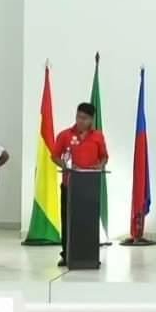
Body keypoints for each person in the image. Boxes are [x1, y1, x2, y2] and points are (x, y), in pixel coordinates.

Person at [51, 103, 109, 267]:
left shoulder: (98, 136)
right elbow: (54, 156)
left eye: (84, 118)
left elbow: (104, 156)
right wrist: (65, 165)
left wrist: (100, 165)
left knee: (89, 221)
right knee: (68, 221)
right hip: (70, 185)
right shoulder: (65, 135)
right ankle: (67, 254)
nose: (80, 121)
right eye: (78, 117)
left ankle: (89, 254)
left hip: (90, 186)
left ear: (91, 119)